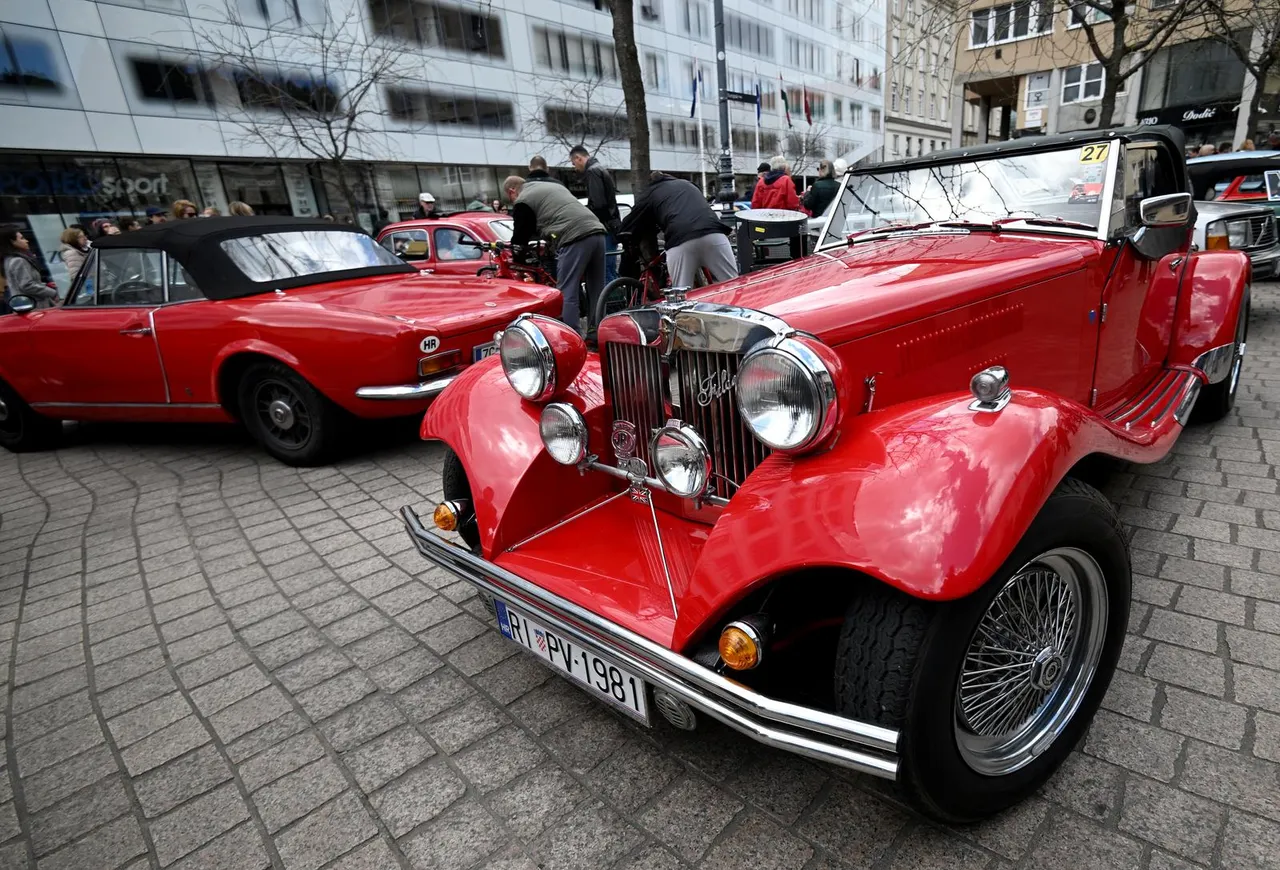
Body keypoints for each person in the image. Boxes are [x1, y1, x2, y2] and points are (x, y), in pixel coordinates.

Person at [504, 174, 607, 334]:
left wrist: (517, 256)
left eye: (510, 198)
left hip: (574, 236)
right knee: (596, 287)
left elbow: (520, 236)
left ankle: (573, 336)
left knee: (567, 290)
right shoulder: (551, 186)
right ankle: (598, 332)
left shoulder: (523, 199)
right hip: (597, 231)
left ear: (512, 191)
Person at [621, 171, 738, 289]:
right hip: (714, 234)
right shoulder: (689, 184)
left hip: (680, 241)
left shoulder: (650, 193)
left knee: (681, 296)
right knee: (733, 286)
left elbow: (629, 223)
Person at [570, 146, 622, 283]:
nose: (574, 168)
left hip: (604, 226)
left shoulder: (593, 172)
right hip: (611, 225)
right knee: (610, 268)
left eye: (574, 163)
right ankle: (618, 301)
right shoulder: (599, 169)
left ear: (578, 158)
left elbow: (598, 204)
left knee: (604, 271)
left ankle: (610, 303)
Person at [1, 228, 59, 310]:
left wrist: (45, 285)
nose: (26, 241)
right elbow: (27, 285)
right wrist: (52, 292)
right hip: (33, 305)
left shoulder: (8, 259)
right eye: (21, 238)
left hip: (26, 304)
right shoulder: (18, 260)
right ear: (12, 242)